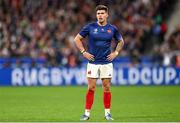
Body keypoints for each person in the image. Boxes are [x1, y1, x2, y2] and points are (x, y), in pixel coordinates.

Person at [74, 5, 124, 121]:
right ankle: (86, 114)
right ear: (96, 15)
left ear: (107, 15)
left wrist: (116, 53)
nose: (100, 15)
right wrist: (83, 52)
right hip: (93, 62)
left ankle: (107, 113)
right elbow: (76, 39)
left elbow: (121, 41)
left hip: (106, 62)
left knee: (106, 88)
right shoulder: (90, 27)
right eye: (98, 13)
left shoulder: (112, 29)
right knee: (91, 88)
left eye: (102, 13)